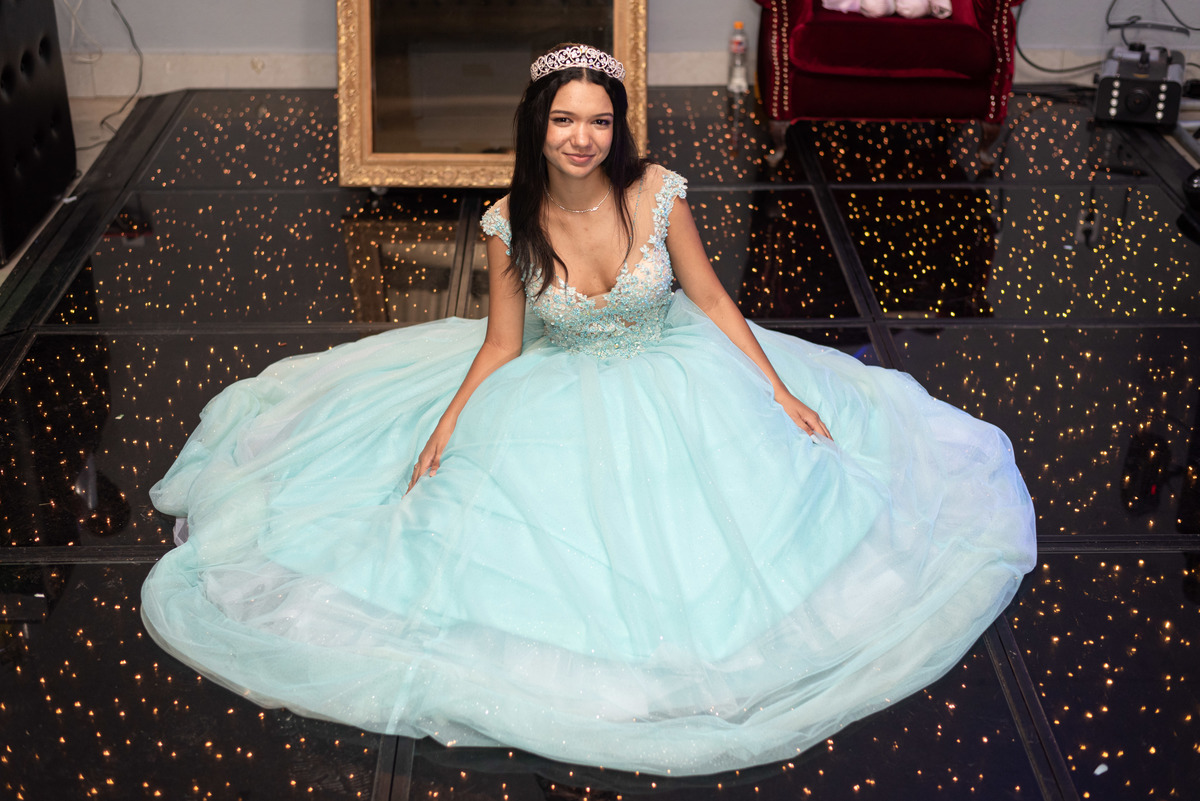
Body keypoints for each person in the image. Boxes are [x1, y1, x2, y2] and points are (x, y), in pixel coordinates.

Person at [141, 44, 1036, 777]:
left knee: (755, 502)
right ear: (538, 125)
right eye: (566, 120)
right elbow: (501, 344)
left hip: (678, 374)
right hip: (558, 382)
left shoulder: (656, 193)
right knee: (490, 529)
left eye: (600, 121)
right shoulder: (510, 222)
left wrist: (777, 386)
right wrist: (449, 420)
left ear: (619, 126)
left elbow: (712, 299)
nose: (583, 138)